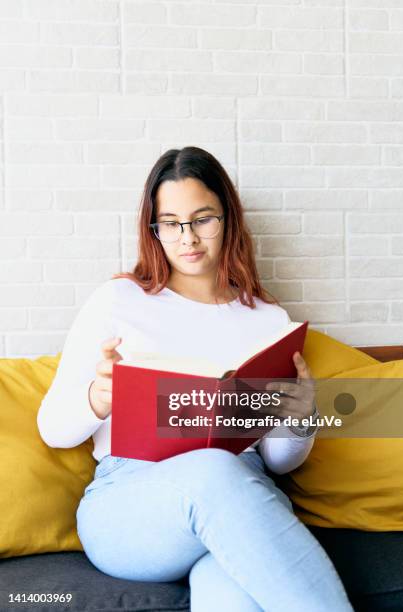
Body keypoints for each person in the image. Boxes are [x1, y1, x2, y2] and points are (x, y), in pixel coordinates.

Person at [37, 147, 353, 612]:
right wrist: (96, 400)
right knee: (213, 471)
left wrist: (300, 420)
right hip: (131, 504)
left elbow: (279, 462)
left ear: (228, 219)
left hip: (242, 497)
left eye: (203, 219)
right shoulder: (117, 300)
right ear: (154, 228)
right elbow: (52, 428)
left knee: (234, 594)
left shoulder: (268, 320)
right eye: (170, 223)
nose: (187, 238)